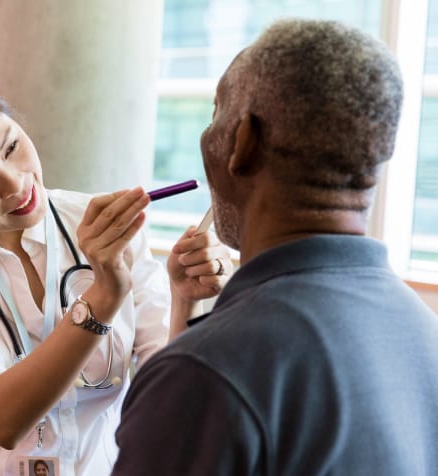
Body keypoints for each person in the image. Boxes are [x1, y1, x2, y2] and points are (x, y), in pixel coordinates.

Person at [0, 69, 232, 475]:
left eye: (11, 147)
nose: (15, 185)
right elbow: (0, 420)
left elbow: (170, 394)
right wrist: (102, 298)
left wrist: (185, 300)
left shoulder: (103, 228)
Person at [113, 18, 438, 475]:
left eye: (216, 112)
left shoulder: (205, 373)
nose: (207, 135)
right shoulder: (424, 334)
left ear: (243, 141)